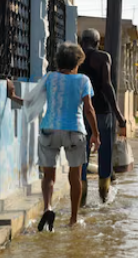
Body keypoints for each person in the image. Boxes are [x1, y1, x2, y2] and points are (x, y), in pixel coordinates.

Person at [7, 43, 100, 229]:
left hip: (49, 130)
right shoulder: (83, 80)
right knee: (75, 176)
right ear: (77, 63)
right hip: (75, 132)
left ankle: (48, 208)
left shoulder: (50, 78)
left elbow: (31, 101)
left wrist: (12, 95)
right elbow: (89, 109)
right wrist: (95, 135)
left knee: (48, 176)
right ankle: (73, 220)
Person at [78, 28, 127, 203]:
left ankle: (81, 197)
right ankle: (103, 194)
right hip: (103, 111)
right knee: (104, 150)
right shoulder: (102, 57)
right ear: (97, 43)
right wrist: (119, 114)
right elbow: (107, 85)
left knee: (82, 152)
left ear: (81, 41)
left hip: (83, 110)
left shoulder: (75, 58)